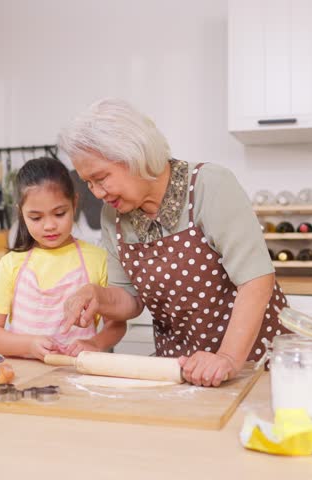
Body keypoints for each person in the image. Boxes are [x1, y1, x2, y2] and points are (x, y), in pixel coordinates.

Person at [58, 98, 289, 387]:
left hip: (255, 365)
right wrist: (97, 296)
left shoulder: (209, 186)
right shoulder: (113, 216)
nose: (97, 193)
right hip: (179, 371)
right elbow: (130, 300)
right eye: (88, 183)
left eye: (100, 178)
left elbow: (256, 281)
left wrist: (228, 358)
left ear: (134, 155)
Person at [0, 156, 126, 360]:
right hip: (23, 378)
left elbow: (117, 324)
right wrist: (28, 345)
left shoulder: (97, 259)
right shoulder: (11, 264)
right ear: (21, 213)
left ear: (74, 203)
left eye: (59, 214)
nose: (49, 226)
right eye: (36, 218)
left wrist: (95, 343)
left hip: (78, 377)